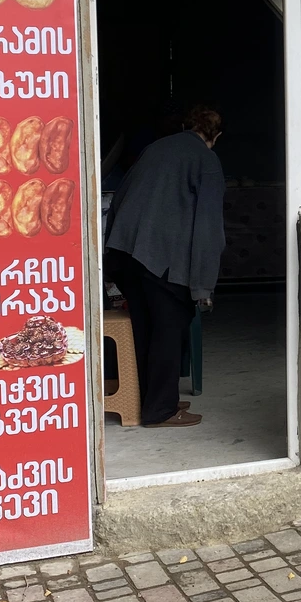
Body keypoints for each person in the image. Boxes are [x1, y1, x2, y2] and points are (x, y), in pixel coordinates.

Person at [105, 106, 225, 427]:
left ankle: (153, 400)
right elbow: (208, 228)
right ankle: (161, 411)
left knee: (146, 327)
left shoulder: (154, 149)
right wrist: (202, 287)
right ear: (216, 136)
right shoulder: (205, 160)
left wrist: (111, 256)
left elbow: (120, 199)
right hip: (162, 258)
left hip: (126, 251)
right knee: (169, 329)